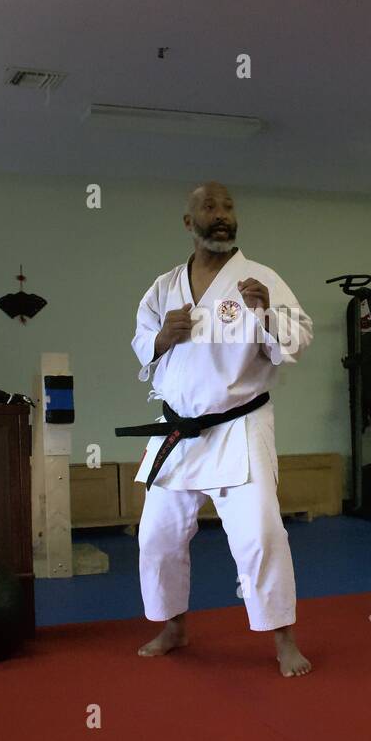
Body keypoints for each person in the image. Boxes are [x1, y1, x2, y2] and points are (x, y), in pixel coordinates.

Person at [117, 180, 314, 676]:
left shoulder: (259, 279)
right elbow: (142, 344)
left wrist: (266, 311)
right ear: (189, 222)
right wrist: (163, 336)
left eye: (228, 206)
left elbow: (298, 338)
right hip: (178, 433)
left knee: (262, 534)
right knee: (156, 536)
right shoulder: (164, 287)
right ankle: (173, 624)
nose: (221, 214)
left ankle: (283, 638)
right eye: (209, 206)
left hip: (239, 426)